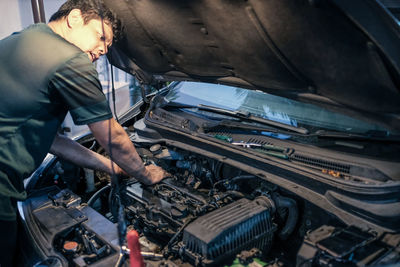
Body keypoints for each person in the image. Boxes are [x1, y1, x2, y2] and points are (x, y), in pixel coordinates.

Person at [0, 0, 167, 265]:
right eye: (101, 37)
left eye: (108, 46)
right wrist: (145, 174)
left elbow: (54, 142)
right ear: (75, 18)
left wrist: (114, 168)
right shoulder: (70, 59)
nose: (103, 49)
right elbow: (112, 136)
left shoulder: (25, 37)